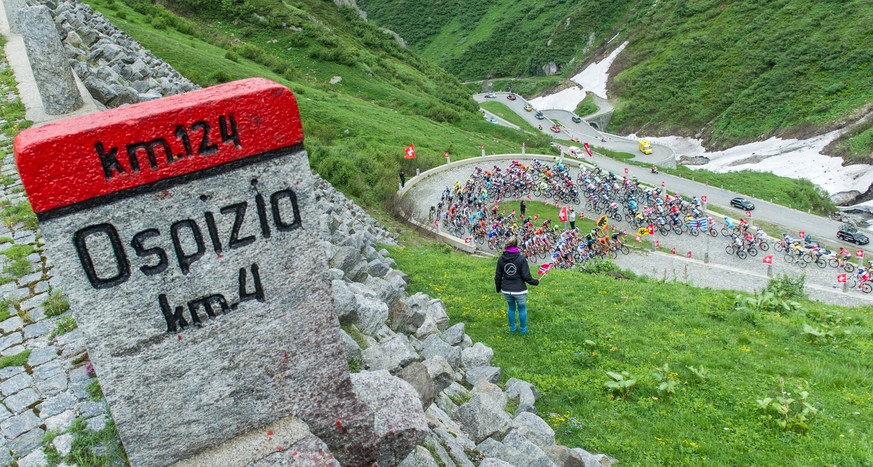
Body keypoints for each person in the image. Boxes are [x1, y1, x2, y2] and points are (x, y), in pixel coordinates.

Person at [495, 236, 539, 335]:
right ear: (517, 245)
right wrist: (535, 282)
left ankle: (513, 329)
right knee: (522, 309)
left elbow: (498, 276)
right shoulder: (521, 258)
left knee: (511, 308)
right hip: (519, 290)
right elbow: (526, 276)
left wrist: (498, 288)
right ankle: (523, 330)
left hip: (506, 289)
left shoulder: (501, 259)